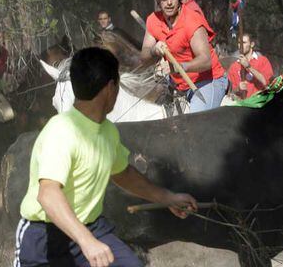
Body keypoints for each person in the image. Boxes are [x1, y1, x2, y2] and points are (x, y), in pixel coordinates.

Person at [14, 47, 197, 267]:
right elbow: (48, 195)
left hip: (91, 227)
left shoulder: (107, 130)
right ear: (111, 87)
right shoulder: (61, 130)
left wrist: (167, 197)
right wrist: (86, 241)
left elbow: (123, 174)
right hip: (44, 237)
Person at [141, 0, 227, 113]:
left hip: (207, 81)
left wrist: (178, 68)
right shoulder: (152, 20)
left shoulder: (192, 20)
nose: (169, 3)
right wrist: (154, 50)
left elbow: (206, 61)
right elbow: (144, 57)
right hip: (178, 85)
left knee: (195, 126)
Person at [228, 33, 274, 99]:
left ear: (252, 44)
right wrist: (238, 88)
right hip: (242, 105)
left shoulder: (263, 61)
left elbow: (266, 82)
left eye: (244, 42)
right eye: (239, 43)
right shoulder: (234, 67)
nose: (240, 45)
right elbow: (231, 92)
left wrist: (249, 67)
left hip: (260, 103)